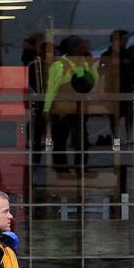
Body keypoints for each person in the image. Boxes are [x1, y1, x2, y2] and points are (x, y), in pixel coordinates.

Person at [41, 35, 99, 174]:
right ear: (72, 48)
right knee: (60, 139)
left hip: (79, 108)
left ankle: (81, 167)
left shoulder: (83, 63)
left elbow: (93, 82)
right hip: (62, 108)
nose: (84, 50)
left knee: (81, 140)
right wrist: (47, 108)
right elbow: (52, 87)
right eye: (81, 47)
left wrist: (91, 65)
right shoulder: (60, 64)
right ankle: (62, 169)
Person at [97, 29, 134, 145]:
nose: (126, 41)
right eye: (124, 39)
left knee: (129, 114)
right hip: (112, 89)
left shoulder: (128, 54)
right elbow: (101, 71)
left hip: (127, 88)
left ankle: (129, 137)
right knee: (114, 115)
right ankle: (116, 137)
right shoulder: (106, 55)